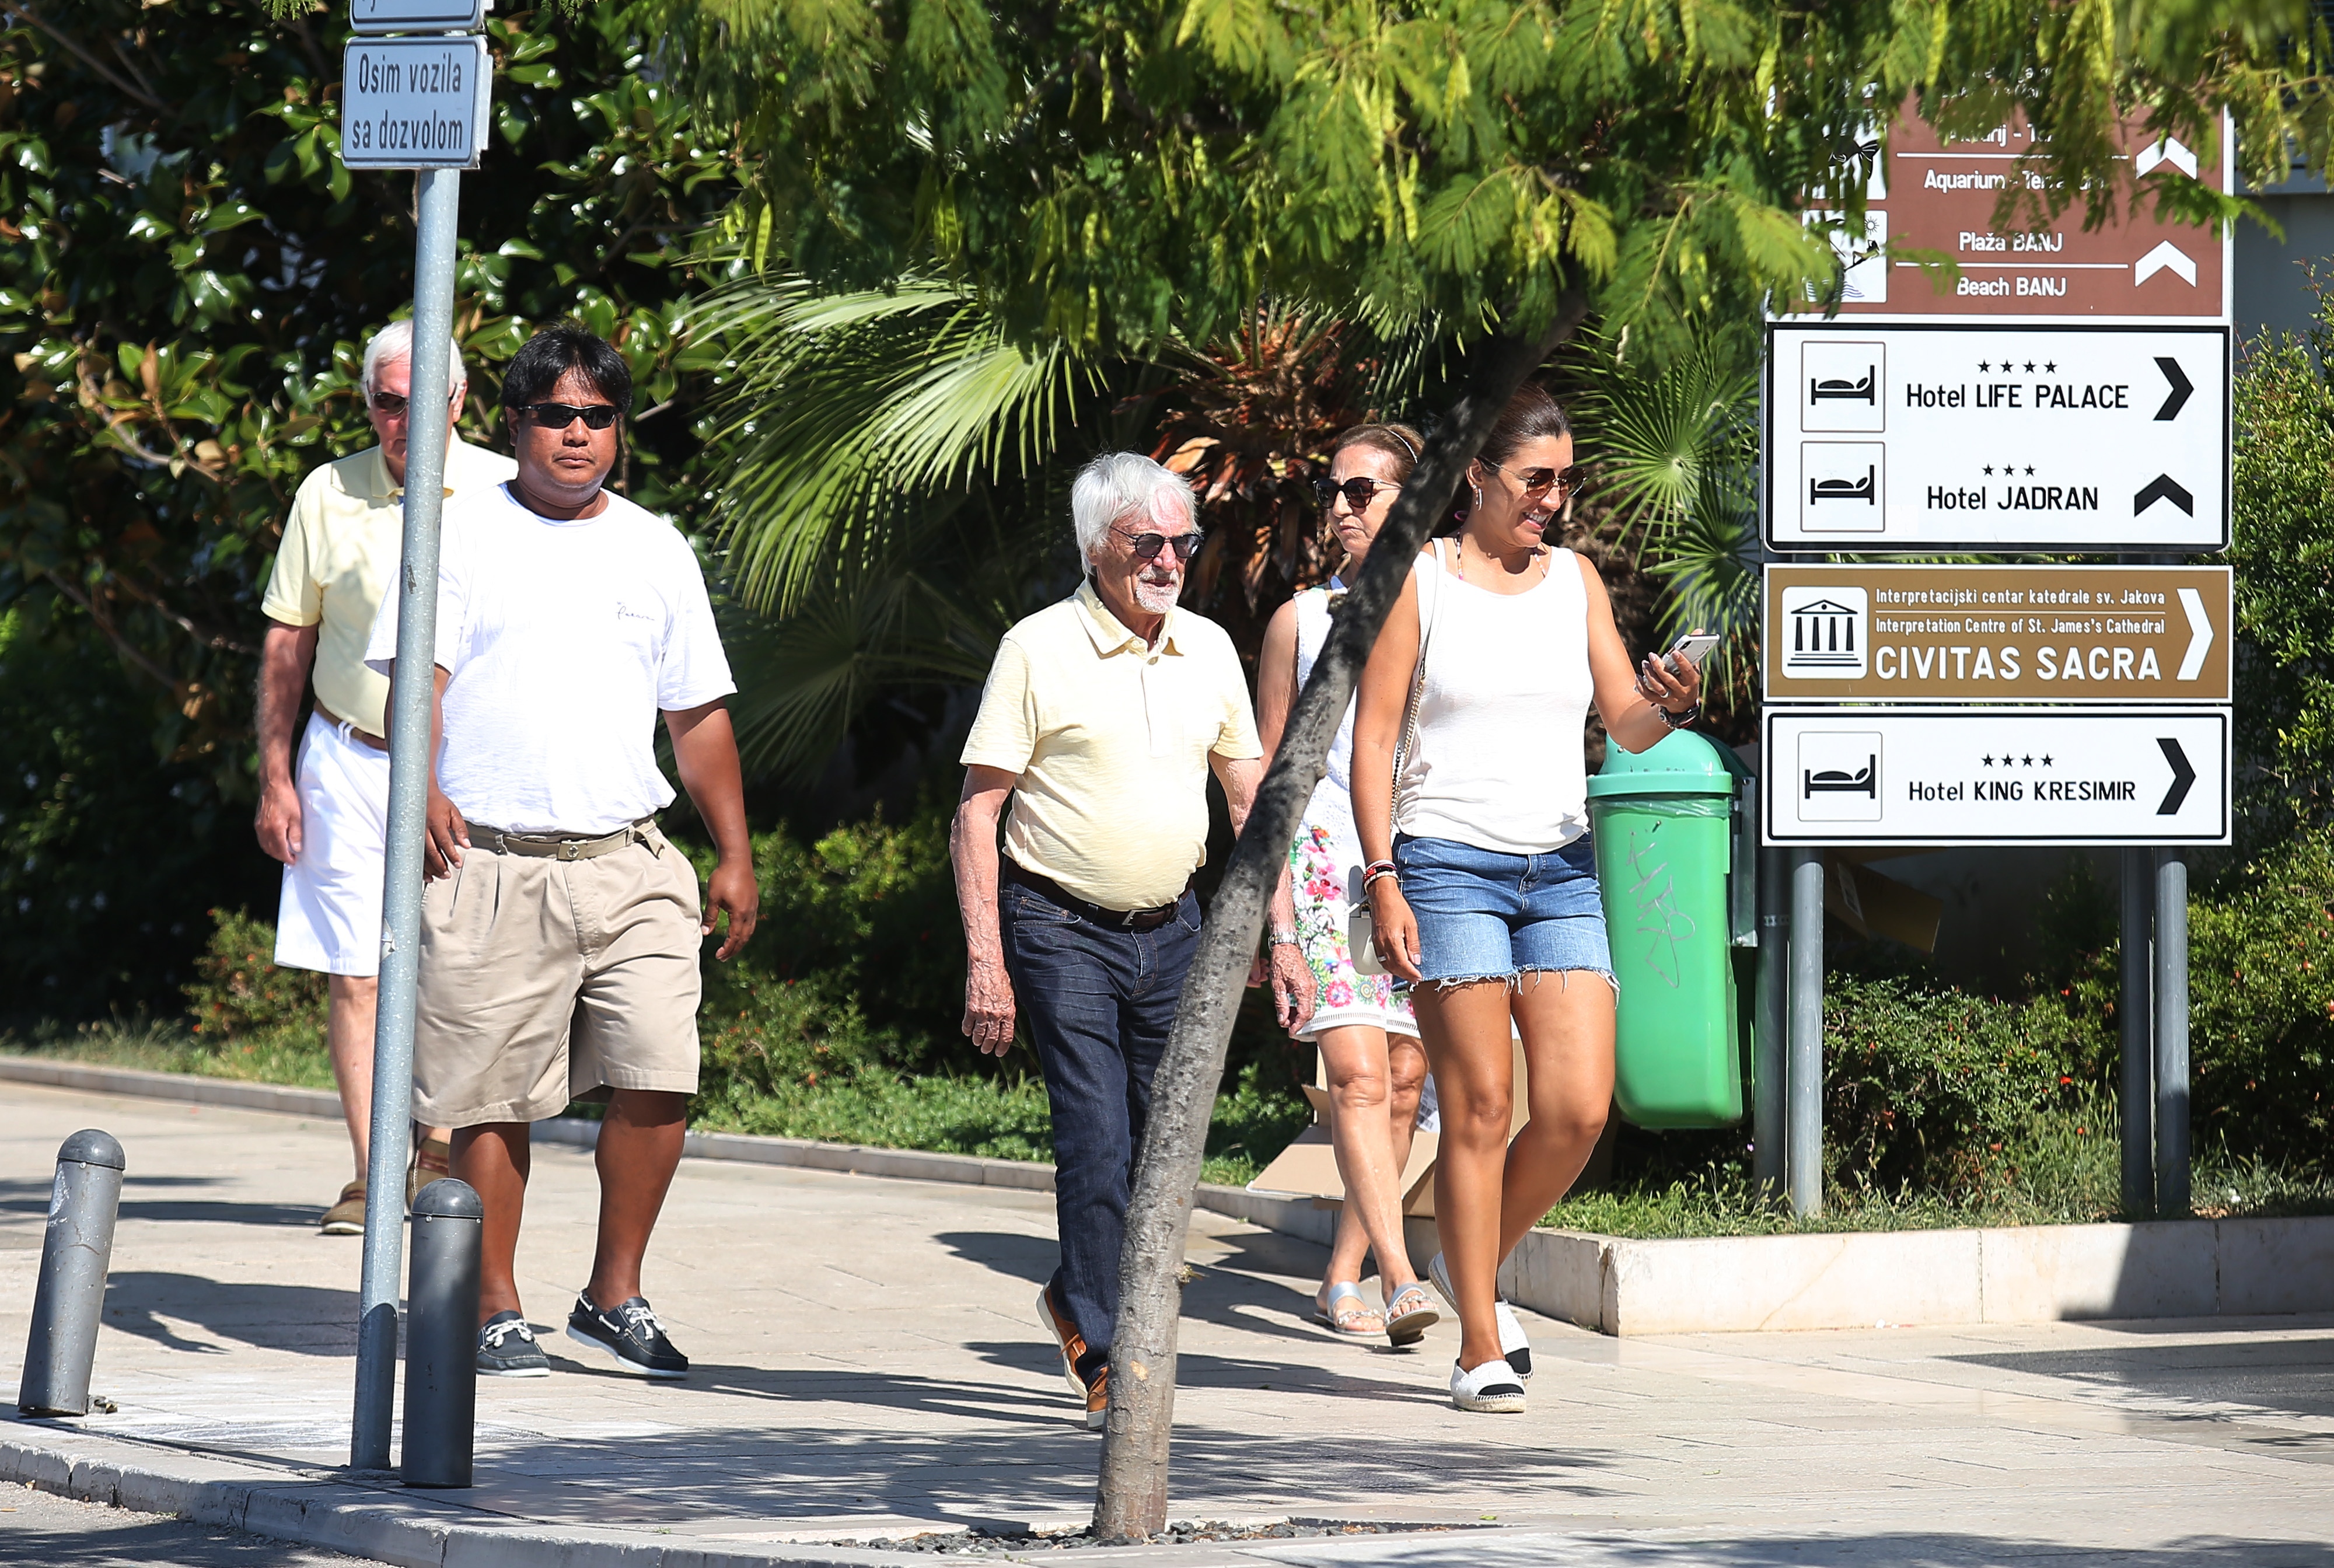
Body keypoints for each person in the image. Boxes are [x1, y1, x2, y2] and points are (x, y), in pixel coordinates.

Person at [364, 325, 759, 1380]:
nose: (578, 435)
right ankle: (494, 1304)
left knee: (660, 1074)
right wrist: (427, 789)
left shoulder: (654, 544)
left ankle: (612, 1292)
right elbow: (420, 688)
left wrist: (734, 851)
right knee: (491, 1098)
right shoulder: (453, 534)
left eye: (597, 417)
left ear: (619, 431)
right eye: (556, 416)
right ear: (516, 425)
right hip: (486, 860)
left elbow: (699, 712)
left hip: (629, 858)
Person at [1350, 383, 1704, 1413]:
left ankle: (1473, 1260)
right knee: (1480, 1106)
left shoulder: (1577, 581)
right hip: (1446, 862)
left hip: (1559, 866)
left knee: (1580, 1107)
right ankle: (1476, 1350)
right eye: (1535, 479)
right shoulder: (1419, 581)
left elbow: (1625, 726)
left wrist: (1669, 707)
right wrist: (1382, 876)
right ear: (1477, 478)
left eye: (1564, 479)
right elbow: (1374, 743)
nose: (1554, 497)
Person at [952, 452, 1316, 1430]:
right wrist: (988, 962)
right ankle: (1111, 1349)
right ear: (1094, 547)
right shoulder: (1037, 647)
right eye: (1144, 541)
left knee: (1166, 1142)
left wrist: (1280, 939)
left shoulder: (1206, 648)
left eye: (1183, 542)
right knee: (1097, 1136)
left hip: (1176, 931)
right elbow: (978, 813)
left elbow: (1251, 803)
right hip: (1058, 925)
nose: (1168, 559)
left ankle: (1087, 1299)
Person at [254, 322, 512, 1235]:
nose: (404, 419)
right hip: (347, 757)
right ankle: (371, 1173)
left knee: (451, 968)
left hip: (463, 773)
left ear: (459, 401)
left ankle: (434, 1152)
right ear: (369, 404)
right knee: (355, 976)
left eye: (423, 400)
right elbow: (290, 639)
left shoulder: (501, 491)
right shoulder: (326, 491)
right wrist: (275, 775)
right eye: (387, 401)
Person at [1255, 423, 1438, 1348]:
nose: (1338, 508)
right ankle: (1402, 1275)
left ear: (1408, 502)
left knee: (1406, 1079)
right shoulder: (1300, 621)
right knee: (1361, 1075)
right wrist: (1273, 918)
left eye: (1361, 491)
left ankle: (1339, 1278)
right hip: (1326, 864)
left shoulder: (1444, 606)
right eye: (1333, 491)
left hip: (1424, 862)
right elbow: (1270, 782)